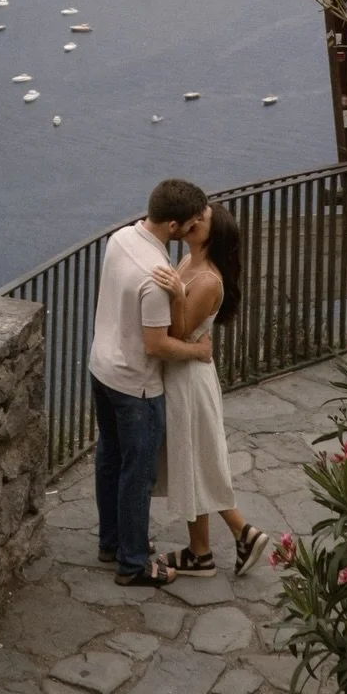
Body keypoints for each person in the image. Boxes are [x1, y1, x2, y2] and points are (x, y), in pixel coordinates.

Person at [89, 178, 214, 588]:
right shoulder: (157, 277)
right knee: (136, 472)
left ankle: (112, 542)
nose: (197, 227)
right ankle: (133, 563)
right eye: (193, 222)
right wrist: (197, 352)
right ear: (176, 226)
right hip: (135, 385)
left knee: (109, 458)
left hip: (101, 366)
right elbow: (157, 344)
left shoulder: (121, 238)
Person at [152, 203, 269, 576]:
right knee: (193, 460)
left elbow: (177, 332)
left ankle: (241, 532)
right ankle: (200, 552)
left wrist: (174, 294)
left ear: (212, 235)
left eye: (202, 220)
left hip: (190, 381)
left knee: (197, 461)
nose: (194, 220)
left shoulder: (206, 281)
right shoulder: (190, 264)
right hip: (184, 374)